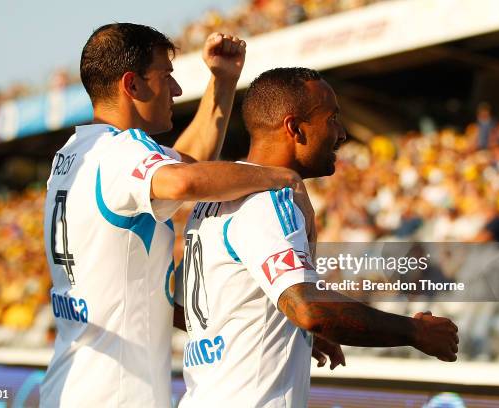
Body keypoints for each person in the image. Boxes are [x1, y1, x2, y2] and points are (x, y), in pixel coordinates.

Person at [40, 24, 314, 408]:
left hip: (69, 386)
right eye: (166, 76)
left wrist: (221, 82)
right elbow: (184, 181)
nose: (176, 90)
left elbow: (185, 164)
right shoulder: (121, 151)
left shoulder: (76, 152)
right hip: (114, 397)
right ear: (132, 85)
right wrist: (278, 177)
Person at [177, 68, 459, 407]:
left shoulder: (211, 204)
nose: (341, 134)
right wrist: (416, 333)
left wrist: (292, 326)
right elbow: (310, 308)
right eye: (333, 119)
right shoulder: (269, 201)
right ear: (295, 128)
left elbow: (184, 310)